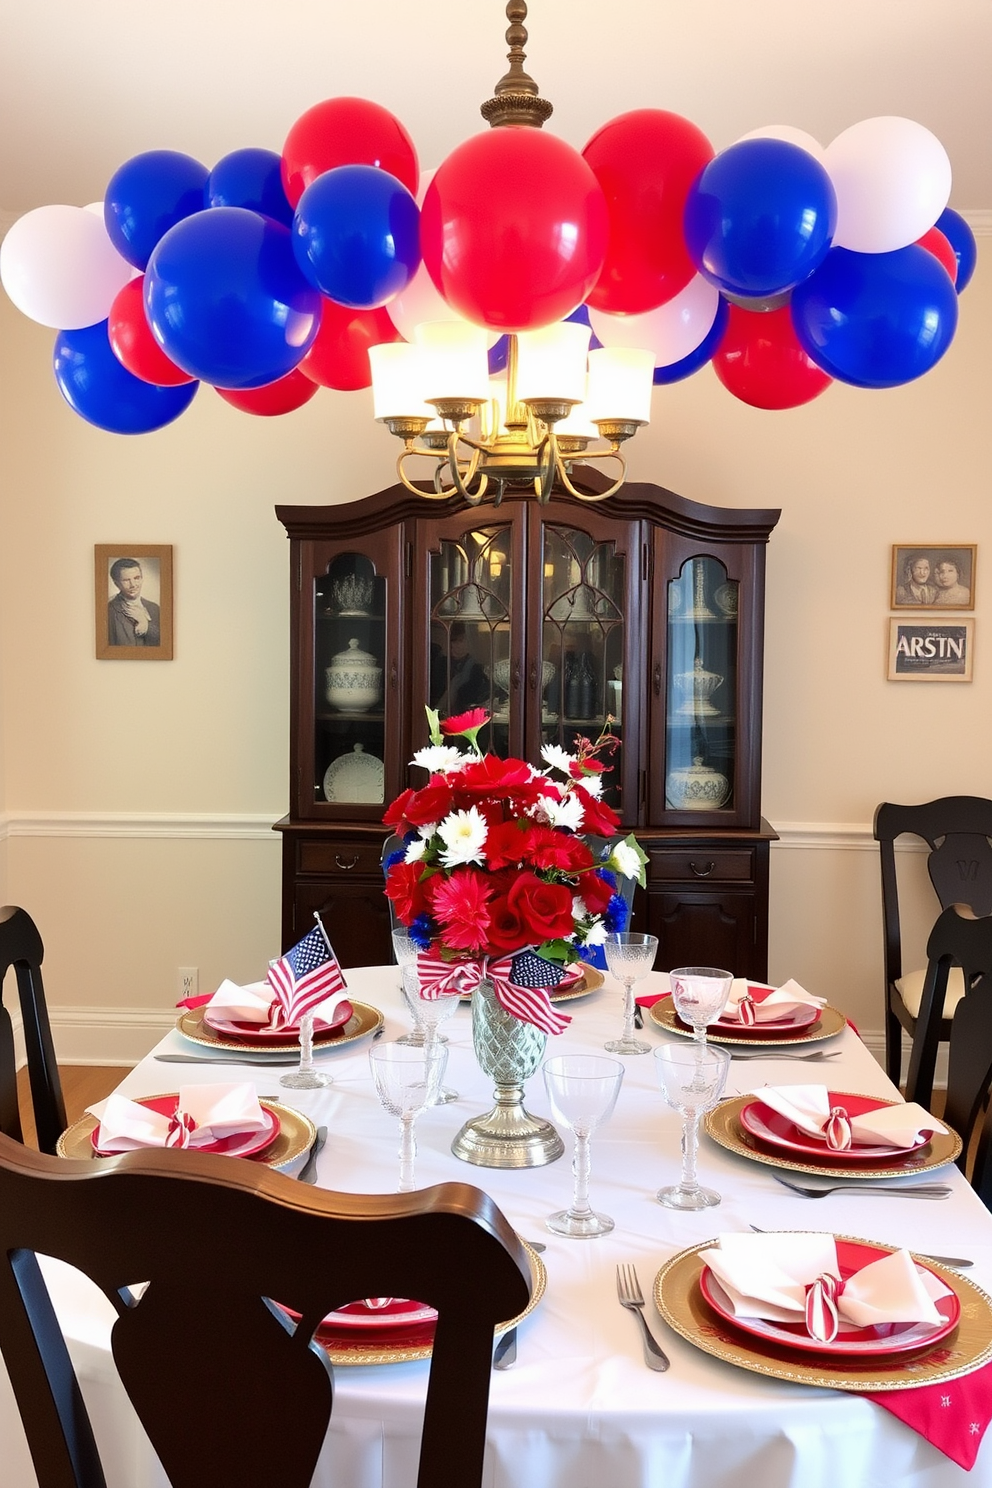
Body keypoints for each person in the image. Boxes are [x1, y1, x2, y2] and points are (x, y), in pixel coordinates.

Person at [431, 621, 490, 714]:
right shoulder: (440, 663)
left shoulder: (476, 667)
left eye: (460, 641)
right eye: (452, 641)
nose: (454, 645)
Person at [107, 557, 160, 646]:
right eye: (126, 580)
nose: (133, 585)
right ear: (116, 584)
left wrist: (146, 626)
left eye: (137, 578)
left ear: (142, 578)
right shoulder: (108, 611)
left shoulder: (154, 608)